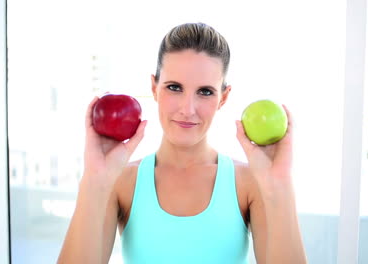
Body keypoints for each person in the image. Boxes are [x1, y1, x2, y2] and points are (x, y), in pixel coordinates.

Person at [57, 22, 307, 264]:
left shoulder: (251, 183)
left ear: (224, 97)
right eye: (174, 87)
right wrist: (95, 180)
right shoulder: (120, 181)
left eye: (205, 91)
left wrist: (280, 186)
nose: (188, 110)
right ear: (154, 88)